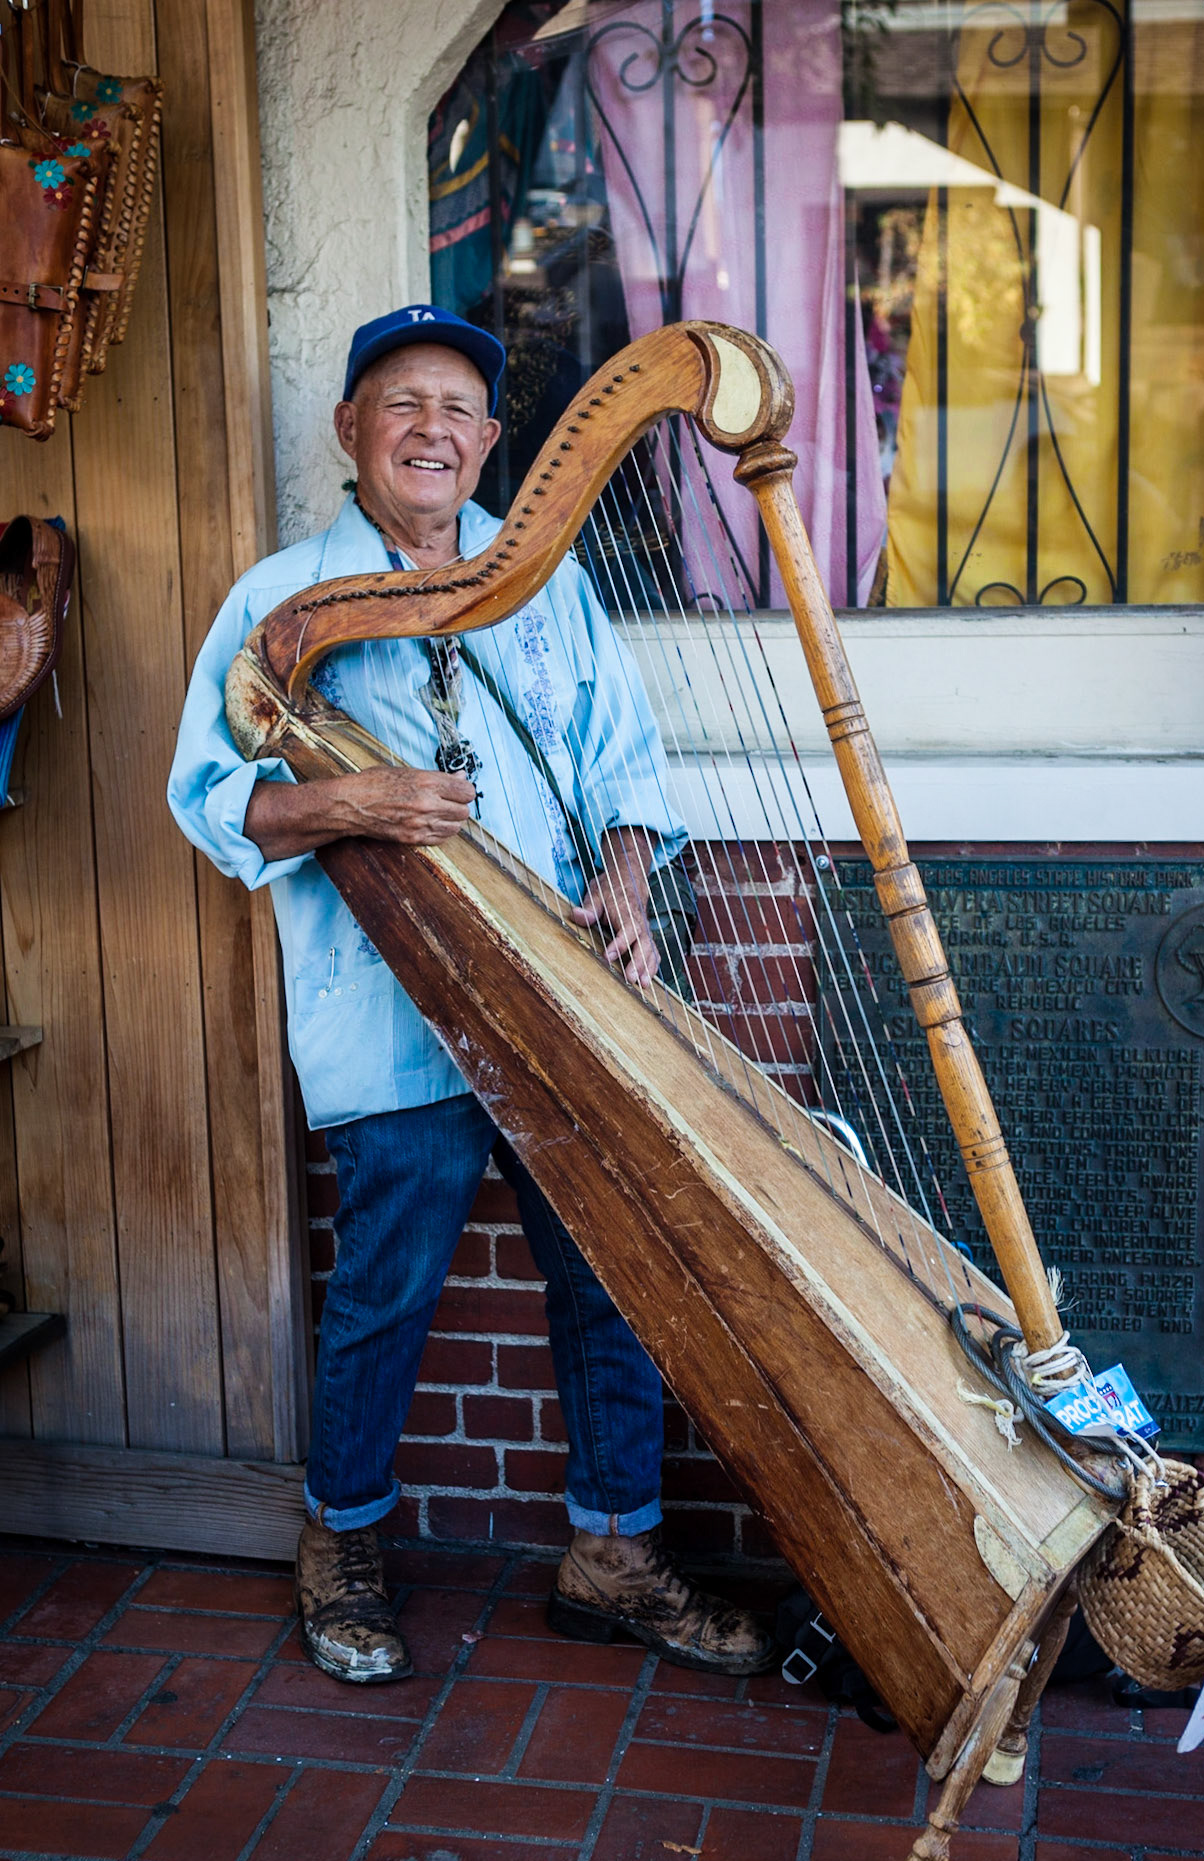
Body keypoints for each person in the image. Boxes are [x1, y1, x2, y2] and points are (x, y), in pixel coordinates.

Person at [169, 304, 773, 1686]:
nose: (430, 429)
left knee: (610, 1275)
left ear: (495, 442)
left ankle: (613, 1549)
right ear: (349, 434)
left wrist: (624, 883)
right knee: (384, 1289)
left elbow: (623, 762)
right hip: (386, 1000)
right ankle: (342, 1545)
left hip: (558, 992)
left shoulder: (543, 582)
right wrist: (352, 801)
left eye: (456, 408)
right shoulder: (284, 602)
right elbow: (204, 797)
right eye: (400, 405)